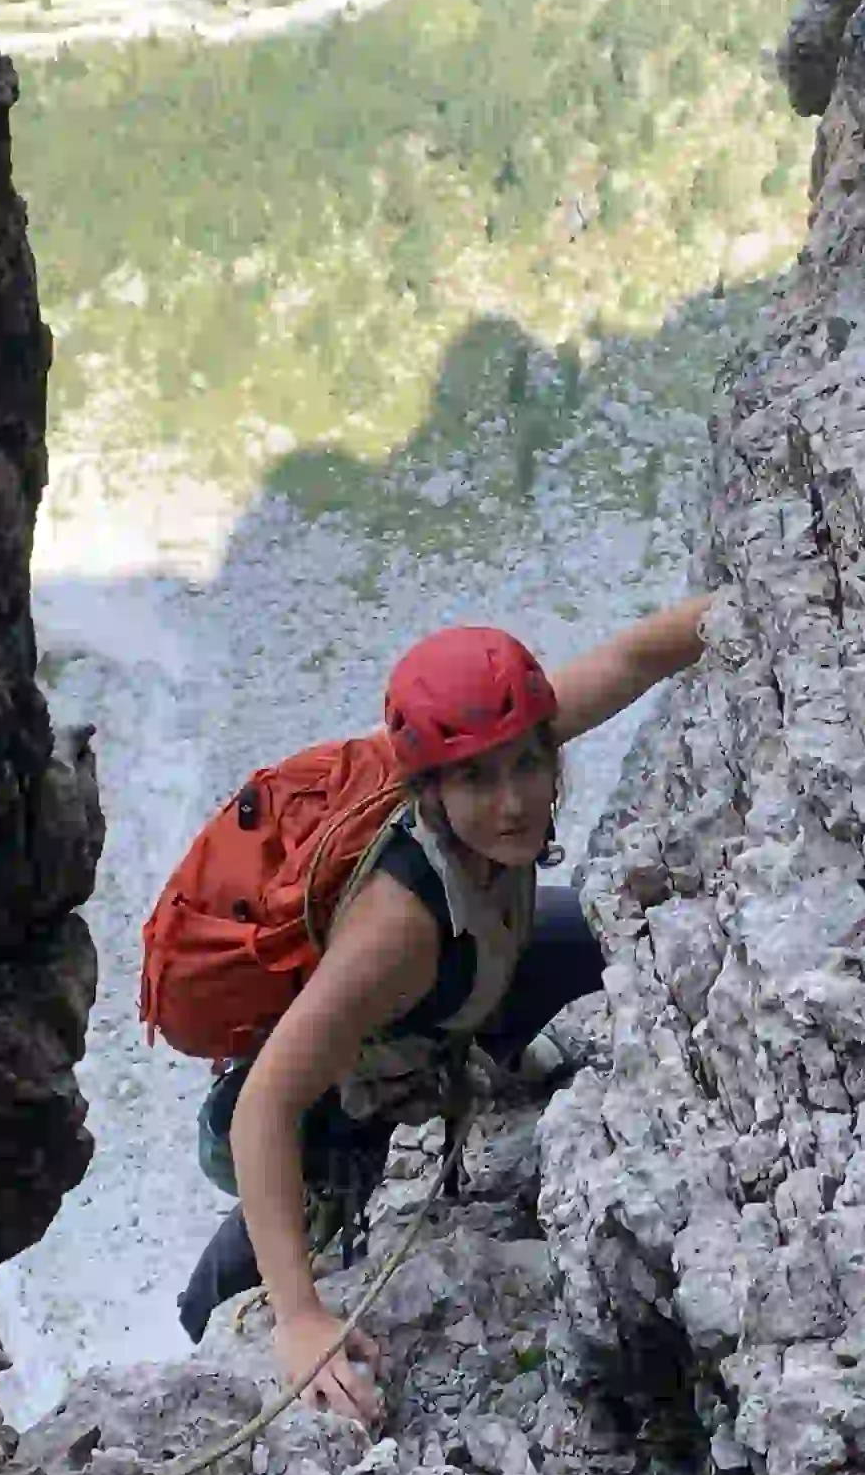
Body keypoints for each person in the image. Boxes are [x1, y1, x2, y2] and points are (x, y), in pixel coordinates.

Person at [175, 599, 712, 1426]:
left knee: (600, 929)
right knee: (263, 1248)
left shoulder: (498, 738)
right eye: (477, 781)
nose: (513, 803)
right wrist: (302, 1318)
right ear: (429, 787)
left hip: (469, 984)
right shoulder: (395, 928)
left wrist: (766, 593)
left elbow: (634, 658)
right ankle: (204, 1310)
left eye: (530, 765)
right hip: (337, 1105)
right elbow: (266, 1109)